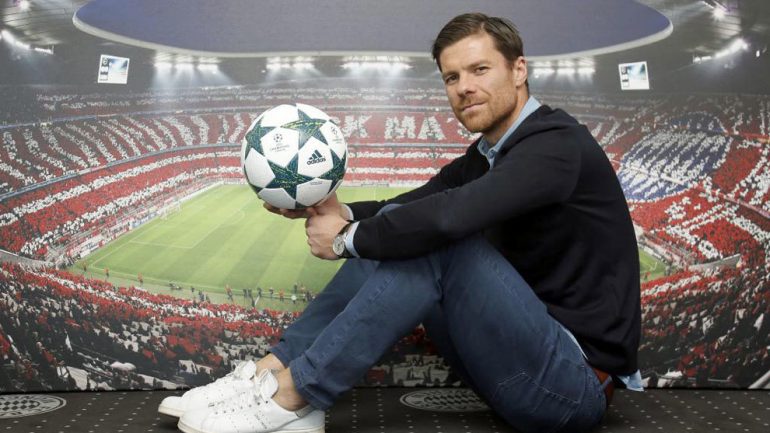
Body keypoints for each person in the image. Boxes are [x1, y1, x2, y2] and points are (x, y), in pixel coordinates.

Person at [161, 12, 642, 433]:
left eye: (479, 69)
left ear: (519, 70)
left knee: (436, 240)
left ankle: (295, 396)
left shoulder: (556, 144)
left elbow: (448, 219)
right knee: (403, 224)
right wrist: (336, 212)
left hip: (570, 388)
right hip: (512, 369)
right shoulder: (486, 155)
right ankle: (270, 373)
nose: (464, 87)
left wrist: (346, 241)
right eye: (451, 77)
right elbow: (408, 205)